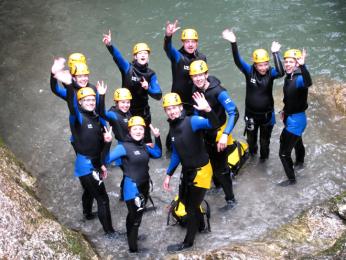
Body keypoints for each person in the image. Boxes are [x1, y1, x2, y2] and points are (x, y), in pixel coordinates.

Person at [53, 69, 116, 237]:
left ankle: (87, 215)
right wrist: (67, 84)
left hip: (93, 162)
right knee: (103, 200)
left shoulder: (95, 117)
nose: (90, 102)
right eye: (86, 100)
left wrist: (105, 152)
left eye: (92, 100)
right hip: (86, 165)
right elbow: (71, 105)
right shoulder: (78, 117)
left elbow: (99, 147)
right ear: (80, 102)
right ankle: (110, 233)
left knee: (89, 191)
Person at [162, 92, 219, 252]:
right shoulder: (173, 126)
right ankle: (201, 227)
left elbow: (214, 124)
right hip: (187, 171)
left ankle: (188, 243)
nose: (172, 111)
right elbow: (176, 153)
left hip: (201, 172)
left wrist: (208, 109)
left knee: (191, 209)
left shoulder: (192, 121)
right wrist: (168, 174)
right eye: (168, 109)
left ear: (181, 107)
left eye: (174, 108)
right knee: (185, 203)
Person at [222, 29, 284, 161]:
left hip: (267, 116)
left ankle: (263, 165)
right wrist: (234, 43)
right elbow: (238, 61)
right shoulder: (249, 71)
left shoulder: (271, 73)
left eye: (266, 64)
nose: (263, 68)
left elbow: (281, 72)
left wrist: (275, 53)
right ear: (255, 65)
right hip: (251, 116)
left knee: (265, 143)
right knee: (251, 143)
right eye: (260, 65)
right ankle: (252, 161)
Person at [104, 116, 162, 253]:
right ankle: (133, 251)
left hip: (144, 186)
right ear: (129, 131)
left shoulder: (144, 146)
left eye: (141, 129)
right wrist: (107, 143)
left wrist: (157, 137)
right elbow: (106, 160)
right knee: (135, 218)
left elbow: (158, 154)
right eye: (135, 129)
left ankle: (131, 236)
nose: (138, 131)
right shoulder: (123, 147)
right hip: (132, 188)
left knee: (135, 216)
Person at [190, 60, 238, 211]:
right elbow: (197, 111)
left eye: (200, 75)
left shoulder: (218, 91)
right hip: (205, 132)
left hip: (219, 134)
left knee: (221, 169)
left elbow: (234, 112)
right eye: (194, 76)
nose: (198, 78)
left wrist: (225, 135)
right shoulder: (195, 88)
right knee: (211, 163)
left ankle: (231, 199)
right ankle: (217, 187)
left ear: (206, 74)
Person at [102, 30, 162, 144]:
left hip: (143, 112)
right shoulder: (127, 68)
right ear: (135, 56)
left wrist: (147, 88)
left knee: (146, 142)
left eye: (145, 53)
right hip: (126, 111)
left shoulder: (151, 74)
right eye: (140, 53)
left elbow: (158, 95)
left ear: (148, 57)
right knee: (127, 141)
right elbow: (118, 57)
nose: (143, 55)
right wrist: (110, 45)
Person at [278, 49, 312, 186]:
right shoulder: (289, 76)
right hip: (292, 117)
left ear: (297, 64)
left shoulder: (298, 79)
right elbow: (290, 98)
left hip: (296, 121)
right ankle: (300, 163)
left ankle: (292, 180)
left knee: (283, 154)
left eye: (291, 62)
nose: (287, 64)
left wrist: (303, 66)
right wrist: (284, 110)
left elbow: (308, 82)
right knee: (297, 142)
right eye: (286, 61)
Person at [164, 20, 207, 115]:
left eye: (193, 41)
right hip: (179, 103)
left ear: (197, 43)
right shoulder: (178, 56)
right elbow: (168, 49)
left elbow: (205, 78)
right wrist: (168, 36)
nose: (190, 44)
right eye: (187, 42)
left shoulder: (202, 58)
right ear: (183, 43)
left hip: (196, 102)